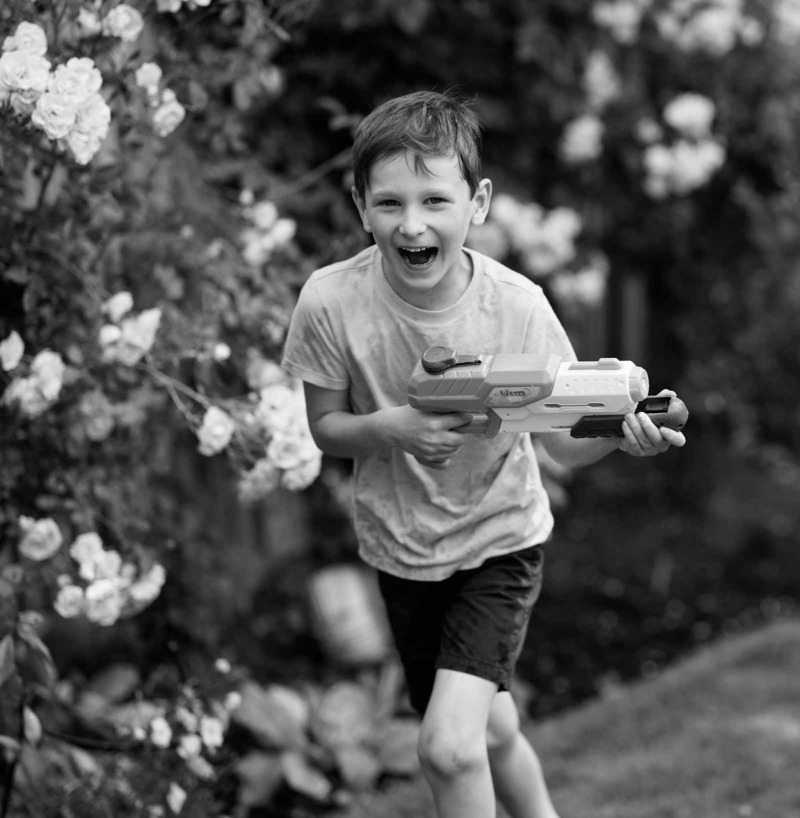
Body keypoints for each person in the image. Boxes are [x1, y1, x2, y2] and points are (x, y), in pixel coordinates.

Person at [281, 89, 686, 818]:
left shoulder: (517, 307)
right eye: (389, 204)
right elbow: (325, 428)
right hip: (402, 550)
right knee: (493, 728)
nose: (412, 225)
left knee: (448, 747)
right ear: (359, 204)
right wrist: (392, 428)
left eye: (436, 200)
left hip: (500, 540)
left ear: (477, 203)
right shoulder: (329, 302)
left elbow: (562, 442)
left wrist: (616, 433)